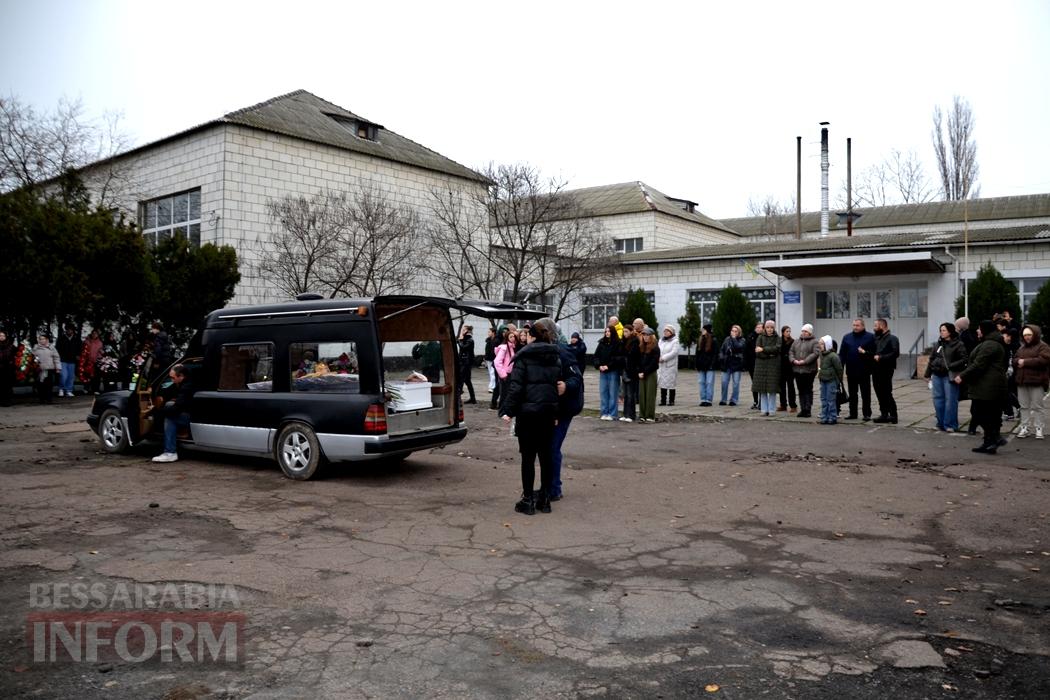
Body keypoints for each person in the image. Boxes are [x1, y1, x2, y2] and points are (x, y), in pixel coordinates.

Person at [502, 320, 561, 515]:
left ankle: (527, 499)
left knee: (528, 458)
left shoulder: (523, 357)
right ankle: (544, 499)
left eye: (527, 335)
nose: (524, 338)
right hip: (547, 414)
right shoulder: (555, 357)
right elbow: (555, 389)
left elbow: (516, 387)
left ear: (532, 337)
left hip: (528, 415)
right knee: (545, 457)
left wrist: (508, 411)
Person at [955, 320, 1008, 454]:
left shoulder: (990, 345)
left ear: (985, 330)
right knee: (987, 414)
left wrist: (962, 376)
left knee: (981, 413)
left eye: (979, 328)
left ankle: (994, 438)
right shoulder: (989, 343)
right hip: (985, 385)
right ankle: (989, 442)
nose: (977, 331)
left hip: (989, 386)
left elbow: (979, 364)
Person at [550, 321, 584, 501]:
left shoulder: (563, 352)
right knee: (549, 447)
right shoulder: (543, 352)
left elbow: (576, 378)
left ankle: (554, 489)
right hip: (550, 408)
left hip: (564, 408)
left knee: (553, 447)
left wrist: (566, 385)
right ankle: (551, 486)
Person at [924, 323, 968, 432]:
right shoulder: (937, 344)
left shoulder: (958, 344)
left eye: (943, 330)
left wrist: (950, 365)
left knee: (951, 401)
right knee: (938, 400)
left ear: (950, 331)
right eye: (940, 330)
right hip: (937, 375)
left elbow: (964, 359)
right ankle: (940, 423)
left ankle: (950, 425)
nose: (941, 332)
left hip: (949, 376)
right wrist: (927, 374)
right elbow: (932, 359)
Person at [151, 364, 195, 463]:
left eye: (173, 378)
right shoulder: (180, 383)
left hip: (193, 417)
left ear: (181, 376)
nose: (171, 380)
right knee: (169, 407)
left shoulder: (187, 387)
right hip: (190, 414)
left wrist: (157, 412)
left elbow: (177, 408)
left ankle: (170, 452)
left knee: (170, 418)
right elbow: (168, 392)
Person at [1013, 324, 1050, 440]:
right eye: (1025, 335)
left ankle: (1039, 428)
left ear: (1035, 334)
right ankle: (1025, 427)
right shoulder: (1021, 348)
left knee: (1038, 406)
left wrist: (1024, 362)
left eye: (1029, 334)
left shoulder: (1043, 346)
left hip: (1037, 381)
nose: (1027, 337)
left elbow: (1044, 360)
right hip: (1022, 381)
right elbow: (1014, 360)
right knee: (1023, 406)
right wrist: (1017, 361)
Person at [839, 318, 876, 421]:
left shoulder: (870, 337)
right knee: (852, 394)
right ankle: (853, 413)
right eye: (854, 325)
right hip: (851, 371)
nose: (855, 327)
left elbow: (874, 353)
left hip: (864, 371)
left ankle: (867, 414)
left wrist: (865, 353)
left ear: (863, 326)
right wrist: (840, 368)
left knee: (865, 394)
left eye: (857, 325)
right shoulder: (847, 337)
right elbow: (842, 354)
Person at [871, 318, 900, 424]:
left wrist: (881, 358)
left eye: (875, 326)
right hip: (876, 369)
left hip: (886, 369)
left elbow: (895, 353)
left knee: (886, 392)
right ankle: (884, 414)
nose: (874, 328)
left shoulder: (892, 338)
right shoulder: (877, 338)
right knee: (879, 392)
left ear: (882, 326)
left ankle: (893, 415)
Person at [593, 325, 623, 420]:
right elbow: (596, 356)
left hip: (613, 371)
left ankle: (613, 414)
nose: (607, 333)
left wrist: (608, 366)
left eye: (609, 331)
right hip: (603, 371)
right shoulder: (601, 343)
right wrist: (599, 365)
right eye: (606, 331)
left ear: (613, 332)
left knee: (613, 393)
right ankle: (604, 412)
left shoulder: (618, 343)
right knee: (603, 392)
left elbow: (618, 358)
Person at [789, 323, 818, 418]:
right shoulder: (796, 341)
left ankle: (808, 409)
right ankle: (803, 409)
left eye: (805, 331)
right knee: (800, 390)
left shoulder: (814, 342)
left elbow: (815, 354)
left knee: (808, 390)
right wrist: (793, 360)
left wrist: (804, 361)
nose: (803, 333)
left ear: (810, 333)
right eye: (802, 331)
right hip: (797, 370)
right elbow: (791, 352)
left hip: (809, 370)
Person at [753, 320, 781, 416]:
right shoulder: (760, 337)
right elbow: (757, 351)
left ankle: (772, 410)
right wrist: (769, 355)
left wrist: (764, 349)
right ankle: (764, 410)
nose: (769, 329)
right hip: (761, 365)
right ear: (765, 328)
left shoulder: (778, 338)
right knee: (762, 389)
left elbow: (777, 349)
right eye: (768, 327)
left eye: (771, 327)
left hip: (773, 366)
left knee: (772, 389)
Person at [817, 335, 844, 425]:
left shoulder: (833, 356)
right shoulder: (822, 354)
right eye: (819, 343)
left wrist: (838, 381)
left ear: (827, 344)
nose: (819, 345)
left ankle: (832, 417)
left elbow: (839, 369)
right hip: (823, 380)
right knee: (823, 399)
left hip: (831, 381)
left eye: (822, 344)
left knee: (831, 400)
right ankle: (824, 417)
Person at [493, 329, 519, 415]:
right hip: (505, 374)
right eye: (511, 337)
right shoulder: (504, 348)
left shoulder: (512, 347)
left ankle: (506, 411)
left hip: (510, 373)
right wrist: (503, 374)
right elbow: (497, 362)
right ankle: (501, 412)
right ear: (507, 337)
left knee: (508, 393)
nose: (513, 338)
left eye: (514, 337)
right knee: (504, 394)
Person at [718, 325, 745, 406]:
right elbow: (722, 350)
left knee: (736, 383)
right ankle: (723, 399)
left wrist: (733, 338)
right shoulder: (727, 339)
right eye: (732, 331)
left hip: (736, 364)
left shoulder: (742, 340)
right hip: (726, 364)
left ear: (739, 332)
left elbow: (738, 347)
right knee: (724, 382)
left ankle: (734, 400)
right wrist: (721, 357)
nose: (733, 332)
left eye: (735, 331)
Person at [637, 327, 660, 422]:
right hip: (642, 373)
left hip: (650, 373)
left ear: (651, 336)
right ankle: (642, 415)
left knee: (650, 395)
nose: (645, 337)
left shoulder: (655, 348)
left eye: (647, 335)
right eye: (644, 335)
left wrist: (645, 372)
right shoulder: (641, 347)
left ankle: (650, 415)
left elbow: (654, 363)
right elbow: (638, 361)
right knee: (642, 395)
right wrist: (639, 371)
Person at [32, 332, 61, 404]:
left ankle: (49, 399)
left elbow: (56, 358)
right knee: (40, 385)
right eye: (40, 339)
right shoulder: (35, 348)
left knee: (49, 385)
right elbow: (32, 358)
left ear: (47, 340)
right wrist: (35, 363)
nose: (42, 340)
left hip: (49, 369)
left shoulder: (51, 347)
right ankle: (42, 399)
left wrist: (58, 367)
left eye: (43, 339)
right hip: (39, 370)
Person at [56, 323, 82, 397]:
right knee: (63, 375)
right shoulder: (61, 338)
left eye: (70, 330)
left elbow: (80, 349)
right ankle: (61, 389)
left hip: (72, 360)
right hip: (62, 360)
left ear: (73, 331)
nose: (69, 331)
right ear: (66, 330)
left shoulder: (76, 339)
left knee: (71, 376)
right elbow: (57, 349)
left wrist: (78, 355)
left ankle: (68, 390)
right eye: (68, 330)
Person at [696, 324, 718, 407]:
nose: (702, 331)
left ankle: (708, 400)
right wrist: (697, 364)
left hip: (710, 365)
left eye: (704, 330)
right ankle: (703, 399)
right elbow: (697, 353)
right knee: (701, 382)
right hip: (701, 365)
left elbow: (715, 354)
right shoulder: (700, 339)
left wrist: (712, 364)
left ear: (707, 331)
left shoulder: (713, 340)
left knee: (709, 382)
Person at [620, 325, 639, 422]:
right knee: (625, 394)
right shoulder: (624, 341)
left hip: (631, 371)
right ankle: (625, 413)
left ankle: (631, 415)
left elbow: (632, 355)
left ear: (631, 331)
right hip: (625, 370)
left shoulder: (635, 341)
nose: (625, 333)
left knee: (631, 394)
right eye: (624, 332)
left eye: (626, 331)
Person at [658, 324, 680, 407]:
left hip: (670, 365)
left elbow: (674, 352)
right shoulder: (661, 340)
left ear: (671, 332)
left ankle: (671, 400)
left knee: (671, 383)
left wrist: (663, 358)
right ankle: (663, 400)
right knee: (662, 382)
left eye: (667, 331)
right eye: (664, 331)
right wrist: (658, 356)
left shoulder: (675, 341)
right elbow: (658, 349)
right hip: (661, 365)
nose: (665, 332)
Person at [778, 325, 797, 412]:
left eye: (789, 331)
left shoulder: (793, 342)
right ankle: (783, 405)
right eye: (787, 331)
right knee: (781, 387)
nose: (788, 333)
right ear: (783, 332)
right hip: (781, 367)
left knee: (791, 387)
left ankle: (793, 405)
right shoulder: (779, 341)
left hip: (790, 368)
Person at [744, 322, 763, 409]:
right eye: (757, 327)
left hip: (762, 364)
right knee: (754, 383)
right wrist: (746, 363)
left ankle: (762, 402)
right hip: (752, 364)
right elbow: (746, 351)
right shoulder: (750, 337)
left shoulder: (764, 337)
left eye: (760, 327)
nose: (759, 328)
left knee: (761, 384)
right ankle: (755, 401)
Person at [457, 325, 477, 404]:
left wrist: (460, 341)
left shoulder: (469, 339)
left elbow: (463, 347)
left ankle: (458, 397)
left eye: (463, 329)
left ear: (467, 331)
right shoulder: (466, 339)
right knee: (467, 381)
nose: (462, 331)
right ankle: (473, 398)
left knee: (461, 379)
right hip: (464, 362)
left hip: (466, 362)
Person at [82, 329, 103, 395]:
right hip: (88, 361)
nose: (94, 335)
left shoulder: (100, 342)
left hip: (96, 361)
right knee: (87, 375)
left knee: (97, 376)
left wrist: (101, 354)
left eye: (96, 334)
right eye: (93, 333)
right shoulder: (87, 341)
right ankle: (86, 388)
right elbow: (84, 350)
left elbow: (101, 352)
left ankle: (96, 389)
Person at [0, 331, 14, 406]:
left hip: (8, 368)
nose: (1, 337)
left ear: (6, 337)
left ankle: (8, 400)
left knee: (8, 385)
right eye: (0, 336)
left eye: (3, 336)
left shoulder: (10, 346)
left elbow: (15, 356)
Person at [484, 327, 499, 394]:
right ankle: (492, 386)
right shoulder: (489, 340)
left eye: (489, 332)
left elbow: (495, 351)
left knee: (492, 373)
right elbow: (487, 350)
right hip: (488, 358)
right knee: (491, 373)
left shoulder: (496, 341)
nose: (488, 333)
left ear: (493, 333)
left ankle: (492, 387)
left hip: (493, 358)